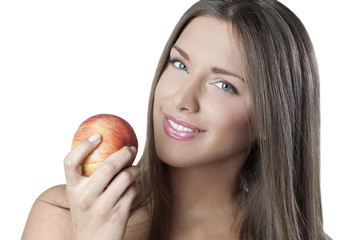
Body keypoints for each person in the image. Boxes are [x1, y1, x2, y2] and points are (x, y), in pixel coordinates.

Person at [22, 0, 331, 239]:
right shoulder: (63, 217)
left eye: (224, 85)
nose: (182, 99)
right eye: (179, 64)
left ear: (269, 119)